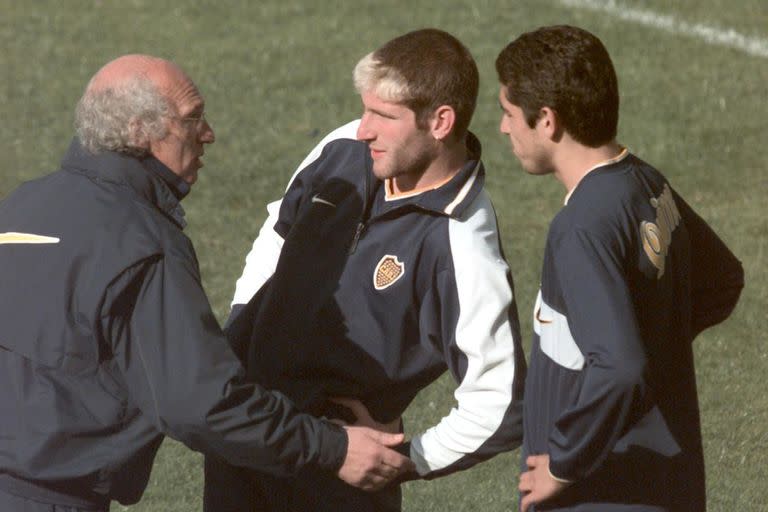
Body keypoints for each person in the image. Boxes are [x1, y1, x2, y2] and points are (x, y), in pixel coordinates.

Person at [0, 54, 414, 512]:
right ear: (140, 131)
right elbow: (201, 404)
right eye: (192, 119)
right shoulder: (141, 244)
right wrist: (332, 447)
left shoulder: (19, 207)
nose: (209, 133)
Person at [204, 28, 527, 511]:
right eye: (364, 109)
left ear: (440, 122)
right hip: (251, 428)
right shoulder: (343, 149)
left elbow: (500, 403)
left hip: (336, 473)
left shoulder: (461, 241)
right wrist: (243, 324)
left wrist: (411, 458)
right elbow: (279, 227)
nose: (363, 129)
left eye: (383, 115)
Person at [495, 25, 744, 512]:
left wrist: (564, 462)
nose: (504, 128)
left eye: (508, 114)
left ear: (547, 120)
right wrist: (655, 346)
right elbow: (723, 280)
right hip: (668, 480)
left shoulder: (580, 228)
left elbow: (622, 368)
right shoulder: (645, 180)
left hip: (607, 487)